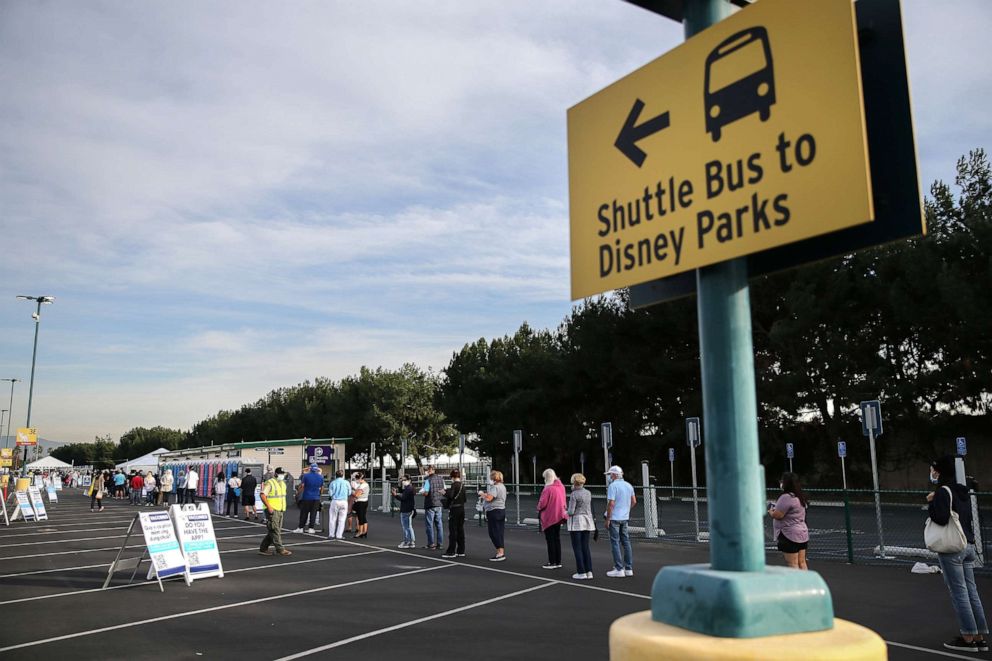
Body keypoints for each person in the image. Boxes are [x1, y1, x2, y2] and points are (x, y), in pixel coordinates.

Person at [928, 455, 989, 653]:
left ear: (941, 471)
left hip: (953, 547)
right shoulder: (962, 490)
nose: (933, 473)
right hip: (968, 544)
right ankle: (980, 636)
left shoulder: (944, 492)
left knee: (959, 593)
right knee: (972, 591)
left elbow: (940, 517)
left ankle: (967, 637)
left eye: (934, 469)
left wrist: (932, 501)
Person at [768, 472, 810, 570]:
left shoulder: (786, 497)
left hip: (789, 534)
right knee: (802, 562)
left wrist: (771, 512)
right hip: (802, 533)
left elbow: (778, 515)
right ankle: (806, 584)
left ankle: (796, 584)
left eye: (782, 481)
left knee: (793, 563)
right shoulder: (800, 496)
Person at [604, 465, 636, 578]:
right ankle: (628, 568)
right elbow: (634, 501)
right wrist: (626, 510)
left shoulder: (613, 486)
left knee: (615, 542)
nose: (609, 477)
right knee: (626, 542)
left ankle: (618, 568)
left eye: (610, 475)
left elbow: (611, 503)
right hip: (624, 517)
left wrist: (608, 518)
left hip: (614, 518)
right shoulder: (628, 485)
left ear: (614, 475)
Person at [537, 468, 567, 570]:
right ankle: (558, 561)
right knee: (557, 539)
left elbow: (542, 503)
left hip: (549, 517)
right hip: (559, 516)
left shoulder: (547, 488)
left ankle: (552, 561)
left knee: (550, 540)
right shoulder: (561, 486)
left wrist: (538, 507)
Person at [567, 473, 595, 580]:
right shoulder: (588, 492)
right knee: (585, 547)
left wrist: (564, 511)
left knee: (577, 548)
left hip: (577, 522)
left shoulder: (574, 494)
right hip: (587, 520)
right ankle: (589, 571)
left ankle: (581, 572)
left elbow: (571, 511)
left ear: (574, 482)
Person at [259, 467, 292, 556]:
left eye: (283, 474)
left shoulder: (282, 483)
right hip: (272, 509)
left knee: (274, 530)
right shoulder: (270, 483)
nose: (282, 475)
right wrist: (269, 507)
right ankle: (280, 549)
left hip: (280, 509)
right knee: (275, 530)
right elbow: (262, 495)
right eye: (281, 473)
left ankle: (263, 548)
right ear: (276, 474)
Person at [481, 470, 507, 561]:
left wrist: (482, 494)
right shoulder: (502, 486)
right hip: (501, 510)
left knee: (493, 532)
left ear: (494, 478)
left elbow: (489, 498)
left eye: (491, 478)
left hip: (494, 511)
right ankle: (501, 551)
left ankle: (500, 553)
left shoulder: (495, 487)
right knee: (499, 532)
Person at [441, 469, 467, 559]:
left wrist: (444, 493)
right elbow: (465, 499)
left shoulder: (454, 485)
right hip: (461, 508)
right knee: (460, 529)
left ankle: (451, 551)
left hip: (454, 509)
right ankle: (461, 550)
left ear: (452, 477)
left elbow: (451, 495)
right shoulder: (462, 485)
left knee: (453, 530)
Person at [419, 465, 445, 550]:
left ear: (429, 471)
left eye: (427, 471)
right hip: (439, 503)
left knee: (429, 525)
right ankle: (440, 544)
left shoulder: (428, 480)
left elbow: (426, 493)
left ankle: (431, 543)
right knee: (439, 525)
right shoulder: (441, 479)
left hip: (430, 504)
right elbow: (444, 490)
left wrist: (422, 493)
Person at [294, 464, 323, 533]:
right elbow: (321, 488)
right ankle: (311, 528)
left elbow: (302, 486)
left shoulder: (306, 476)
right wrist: (319, 495)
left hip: (306, 497)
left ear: (310, 468)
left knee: (304, 513)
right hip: (316, 497)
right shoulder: (320, 477)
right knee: (313, 513)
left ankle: (300, 528)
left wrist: (298, 493)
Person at [391, 476, 416, 548]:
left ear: (409, 480)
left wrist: (395, 495)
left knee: (406, 527)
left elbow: (403, 498)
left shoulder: (408, 489)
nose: (402, 481)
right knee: (409, 526)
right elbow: (402, 492)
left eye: (404, 480)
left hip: (406, 509)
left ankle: (407, 541)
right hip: (410, 509)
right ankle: (411, 541)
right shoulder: (410, 488)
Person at [327, 469, 352, 540]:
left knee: (332, 518)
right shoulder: (346, 482)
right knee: (342, 519)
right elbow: (349, 493)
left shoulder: (333, 483)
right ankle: (339, 535)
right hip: (344, 501)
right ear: (343, 475)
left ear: (336, 475)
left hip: (335, 501)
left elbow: (331, 493)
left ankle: (331, 534)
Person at [352, 472, 370, 539]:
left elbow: (357, 495)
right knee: (363, 517)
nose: (356, 480)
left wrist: (352, 492)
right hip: (364, 501)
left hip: (360, 503)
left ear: (360, 478)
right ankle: (364, 532)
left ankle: (360, 532)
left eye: (357, 478)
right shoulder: (364, 484)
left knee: (360, 518)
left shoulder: (362, 485)